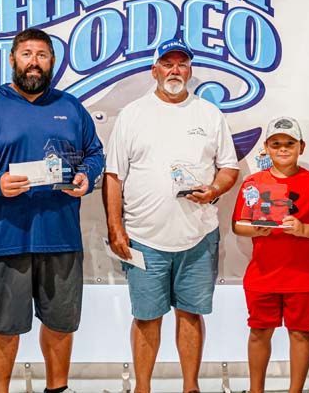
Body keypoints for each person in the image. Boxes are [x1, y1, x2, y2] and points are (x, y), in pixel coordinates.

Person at [0, 28, 104, 393]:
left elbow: (94, 154)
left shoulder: (70, 107)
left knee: (62, 324)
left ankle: (57, 389)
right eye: (27, 54)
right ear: (13, 59)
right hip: (2, 238)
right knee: (3, 327)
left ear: (52, 61)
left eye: (43, 55)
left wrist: (86, 176)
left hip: (60, 238)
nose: (34, 62)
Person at [103, 39, 240, 393]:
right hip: (144, 239)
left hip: (198, 236)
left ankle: (190, 387)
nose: (175, 70)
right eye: (167, 63)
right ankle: (143, 388)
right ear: (154, 70)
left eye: (182, 63)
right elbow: (114, 176)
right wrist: (115, 228)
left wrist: (213, 190)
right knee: (146, 318)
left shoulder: (209, 114)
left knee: (190, 314)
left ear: (190, 71)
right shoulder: (133, 114)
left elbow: (228, 168)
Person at [232, 117, 309, 393]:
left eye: (289, 143)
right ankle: (256, 390)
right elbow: (237, 225)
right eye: (276, 143)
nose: (282, 149)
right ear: (266, 148)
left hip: (303, 275)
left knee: (301, 333)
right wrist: (255, 229)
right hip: (263, 274)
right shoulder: (253, 183)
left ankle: (296, 390)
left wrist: (304, 229)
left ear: (301, 147)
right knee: (259, 332)